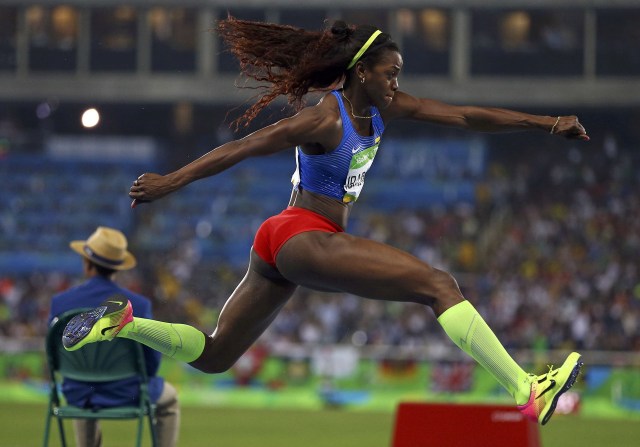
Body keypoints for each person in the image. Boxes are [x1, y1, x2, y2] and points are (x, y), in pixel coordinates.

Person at [63, 18, 589, 426]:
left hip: (281, 242)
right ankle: (527, 390)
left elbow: (467, 115)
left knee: (216, 355)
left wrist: (546, 123)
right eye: (389, 73)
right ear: (362, 71)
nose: (396, 83)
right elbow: (247, 146)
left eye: (399, 75)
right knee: (438, 285)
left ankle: (124, 323)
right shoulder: (325, 117)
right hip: (300, 235)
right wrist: (171, 182)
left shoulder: (386, 109)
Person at [49, 226, 180, 447]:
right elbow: (151, 362)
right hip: (126, 391)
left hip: (78, 392)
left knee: (84, 391)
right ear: (117, 268)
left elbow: (55, 356)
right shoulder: (138, 304)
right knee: (170, 401)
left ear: (87, 263)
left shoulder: (60, 303)